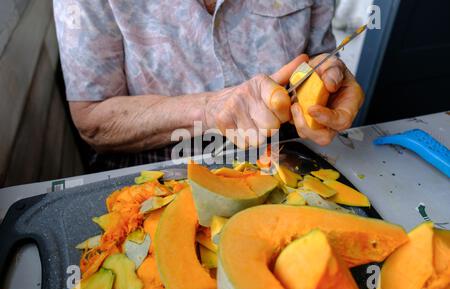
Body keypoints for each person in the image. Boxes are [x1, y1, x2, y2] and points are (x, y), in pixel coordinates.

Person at [53, 0, 364, 170]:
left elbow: (316, 58)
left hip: (280, 160)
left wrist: (327, 81)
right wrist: (213, 108)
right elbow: (93, 120)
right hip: (156, 174)